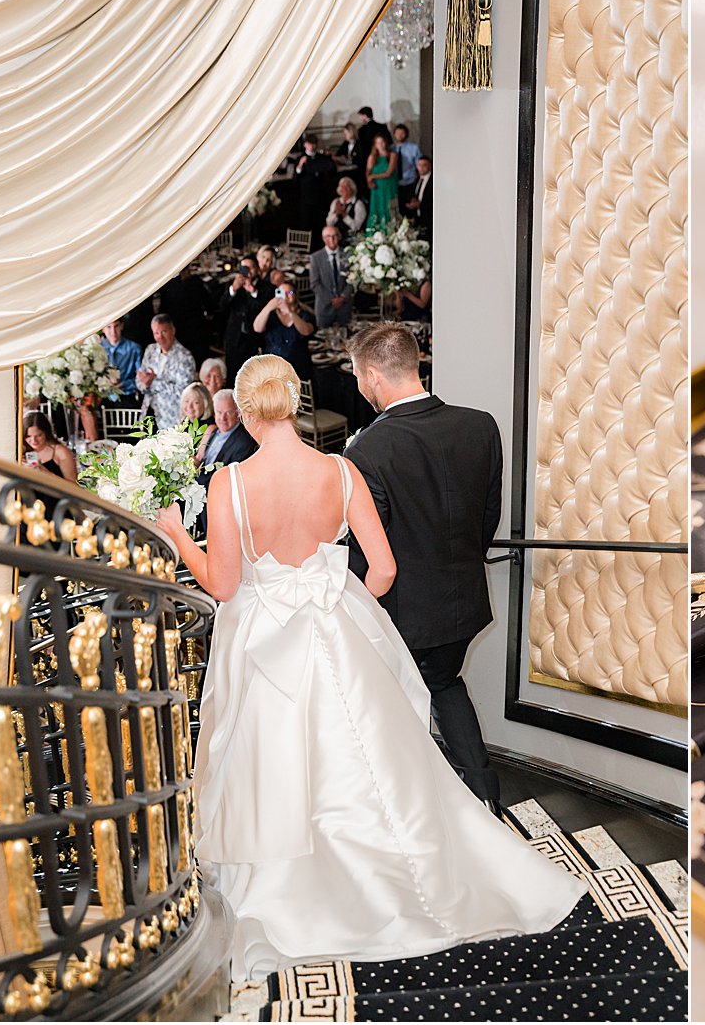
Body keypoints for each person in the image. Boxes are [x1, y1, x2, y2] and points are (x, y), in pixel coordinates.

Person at [153, 355, 584, 980]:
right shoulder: (341, 470)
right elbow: (382, 571)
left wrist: (176, 535)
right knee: (369, 763)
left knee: (276, 764)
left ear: (244, 410)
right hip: (334, 634)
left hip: (261, 645)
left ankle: (292, 895)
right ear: (297, 401)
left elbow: (222, 583)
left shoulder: (229, 484)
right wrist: (331, 596)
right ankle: (405, 884)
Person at [343, 324, 504, 812]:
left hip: (403, 613)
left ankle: (411, 812)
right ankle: (485, 797)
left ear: (373, 374)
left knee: (397, 707)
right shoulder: (481, 425)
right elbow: (487, 519)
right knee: (445, 684)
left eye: (356, 376)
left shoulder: (367, 450)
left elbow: (369, 549)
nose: (357, 386)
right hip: (465, 603)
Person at [138, 314, 197, 428]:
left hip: (171, 419)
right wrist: (144, 384)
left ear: (173, 331)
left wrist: (153, 382)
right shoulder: (150, 350)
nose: (160, 337)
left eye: (164, 332)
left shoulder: (185, 357)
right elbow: (139, 380)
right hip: (148, 414)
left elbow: (183, 392)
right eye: (156, 333)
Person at [252, 279, 315, 380]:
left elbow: (306, 331)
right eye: (282, 293)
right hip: (274, 369)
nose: (286, 296)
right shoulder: (271, 316)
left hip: (299, 367)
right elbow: (257, 328)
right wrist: (268, 307)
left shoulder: (304, 314)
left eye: (290, 292)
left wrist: (290, 312)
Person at [219, 257, 269, 382]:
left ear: (257, 269)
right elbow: (221, 307)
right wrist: (233, 289)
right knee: (233, 376)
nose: (247, 272)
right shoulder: (234, 285)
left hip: (254, 339)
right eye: (244, 268)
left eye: (250, 268)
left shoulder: (267, 288)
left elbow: (265, 309)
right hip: (234, 338)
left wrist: (253, 291)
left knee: (253, 378)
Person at [196, 389, 257, 482]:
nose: (222, 418)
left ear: (238, 413)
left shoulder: (244, 442)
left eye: (228, 413)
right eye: (219, 412)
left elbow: (229, 481)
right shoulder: (212, 432)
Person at [295, 133, 339, 246]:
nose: (312, 147)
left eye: (314, 144)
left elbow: (332, 170)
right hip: (306, 197)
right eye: (309, 144)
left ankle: (321, 244)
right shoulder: (300, 158)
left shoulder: (322, 158)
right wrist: (300, 165)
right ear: (305, 145)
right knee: (306, 223)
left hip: (320, 195)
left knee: (320, 221)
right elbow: (295, 178)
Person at [309, 225, 354, 330]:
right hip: (324, 308)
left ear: (339, 237)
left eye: (334, 236)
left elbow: (353, 279)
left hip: (345, 307)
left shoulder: (348, 254)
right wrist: (331, 299)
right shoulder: (316, 258)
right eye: (328, 236)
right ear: (323, 238)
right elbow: (315, 284)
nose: (332, 239)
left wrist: (342, 298)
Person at [23, 411, 78, 481]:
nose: (34, 441)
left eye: (39, 435)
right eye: (28, 436)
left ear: (46, 432)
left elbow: (74, 487)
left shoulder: (60, 452)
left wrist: (46, 473)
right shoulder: (23, 451)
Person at [100, 317, 144, 402]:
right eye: (109, 327)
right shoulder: (97, 348)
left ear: (122, 326)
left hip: (127, 396)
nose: (113, 332)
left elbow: (140, 379)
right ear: (102, 329)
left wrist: (123, 385)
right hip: (103, 397)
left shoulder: (134, 348)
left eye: (116, 326)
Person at [365, 133, 399, 235]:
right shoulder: (372, 157)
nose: (381, 145)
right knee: (376, 208)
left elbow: (388, 173)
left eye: (382, 142)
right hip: (377, 188)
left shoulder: (392, 155)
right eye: (378, 143)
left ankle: (391, 233)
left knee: (389, 209)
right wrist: (369, 181)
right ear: (375, 145)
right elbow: (368, 172)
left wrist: (372, 177)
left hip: (389, 187)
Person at [352, 105, 392, 188]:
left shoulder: (362, 130)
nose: (360, 118)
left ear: (364, 116)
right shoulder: (382, 126)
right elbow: (390, 142)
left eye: (360, 116)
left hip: (367, 160)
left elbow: (361, 148)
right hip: (384, 158)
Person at [392, 124, 422, 206]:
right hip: (395, 183)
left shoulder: (414, 148)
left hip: (410, 182)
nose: (400, 136)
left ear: (406, 134)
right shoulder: (391, 149)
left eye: (402, 133)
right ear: (394, 134)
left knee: (410, 206)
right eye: (398, 133)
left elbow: (419, 165)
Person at [402, 155, 433, 229]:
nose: (421, 168)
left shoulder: (433, 181)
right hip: (418, 218)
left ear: (430, 166)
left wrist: (420, 205)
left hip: (429, 219)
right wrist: (412, 201)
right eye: (419, 165)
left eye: (424, 165)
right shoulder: (417, 180)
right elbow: (413, 194)